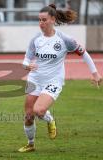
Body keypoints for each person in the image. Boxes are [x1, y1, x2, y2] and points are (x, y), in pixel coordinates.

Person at [18, 4, 102, 153]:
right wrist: (27, 66)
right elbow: (26, 60)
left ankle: (50, 120)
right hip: (35, 80)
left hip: (54, 80)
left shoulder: (64, 39)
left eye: (44, 20)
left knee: (39, 110)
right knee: (29, 115)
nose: (41, 23)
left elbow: (83, 52)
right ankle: (30, 144)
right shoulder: (36, 39)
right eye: (39, 20)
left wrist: (95, 73)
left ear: (53, 19)